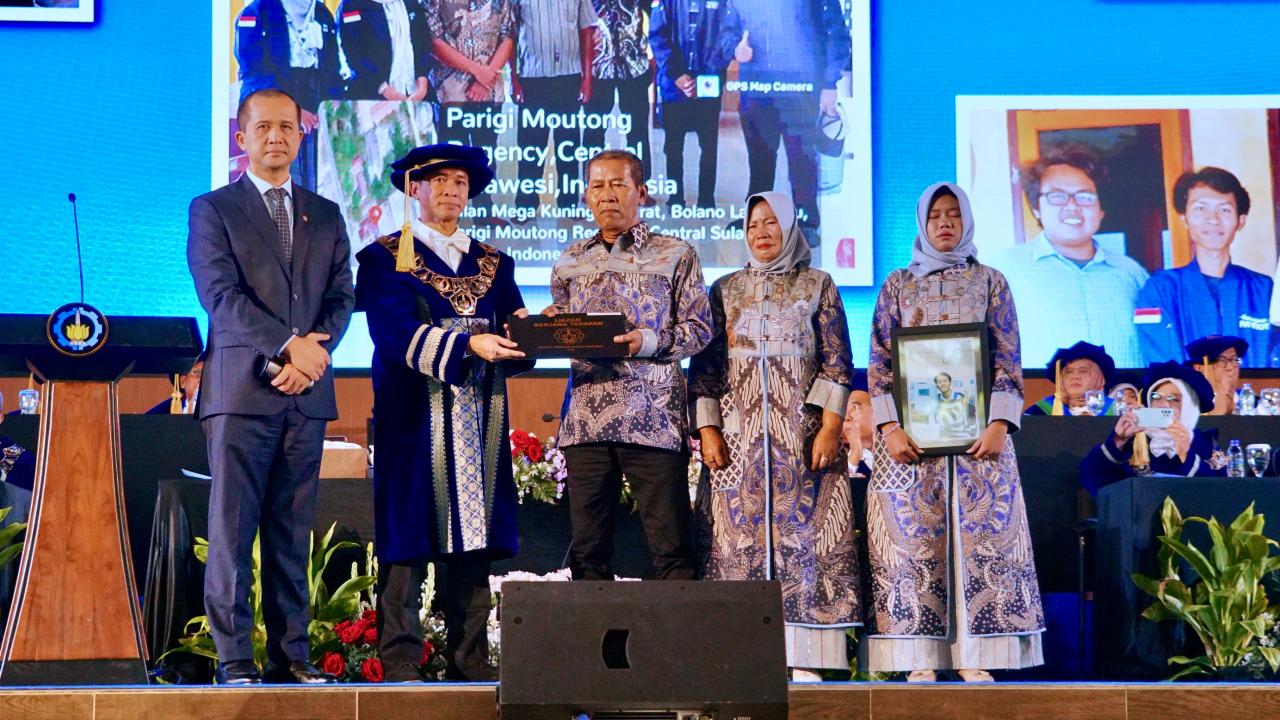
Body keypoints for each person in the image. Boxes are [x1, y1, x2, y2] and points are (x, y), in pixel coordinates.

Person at [187, 88, 355, 685]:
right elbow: (220, 297)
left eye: (287, 126)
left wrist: (312, 356)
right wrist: (289, 346)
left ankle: (292, 657)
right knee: (233, 532)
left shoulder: (326, 214)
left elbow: (341, 297)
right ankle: (234, 661)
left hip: (305, 395)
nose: (276, 136)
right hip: (240, 395)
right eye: (263, 127)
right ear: (242, 138)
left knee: (291, 533)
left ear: (300, 135)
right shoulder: (213, 210)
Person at [355, 143, 532, 682]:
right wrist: (468, 345)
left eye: (460, 182)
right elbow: (392, 334)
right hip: (413, 416)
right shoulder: (384, 258)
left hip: (480, 415)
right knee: (407, 534)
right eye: (439, 181)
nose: (452, 191)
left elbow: (515, 325)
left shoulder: (494, 263)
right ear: (415, 189)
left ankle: (470, 658)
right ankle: (401, 658)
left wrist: (535, 332)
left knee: (474, 539)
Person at [865, 182, 1044, 683]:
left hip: (979, 439)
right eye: (935, 215)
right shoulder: (898, 284)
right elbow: (879, 358)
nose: (945, 223)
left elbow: (1008, 355)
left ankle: (975, 653)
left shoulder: (991, 281)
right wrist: (889, 426)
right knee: (915, 541)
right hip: (911, 442)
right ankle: (919, 655)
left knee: (980, 540)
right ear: (922, 224)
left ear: (966, 220)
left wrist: (1000, 421)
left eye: (954, 214)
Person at [689, 191, 860, 682]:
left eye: (771, 223)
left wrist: (830, 428)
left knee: (806, 542)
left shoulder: (818, 284)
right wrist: (708, 431)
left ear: (789, 227)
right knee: (735, 544)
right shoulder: (725, 290)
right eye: (753, 225)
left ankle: (806, 654)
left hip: (803, 441)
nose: (761, 233)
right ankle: (741, 657)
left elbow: (837, 362)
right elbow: (705, 370)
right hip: (738, 444)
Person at [545, 149, 712, 581]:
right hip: (586, 425)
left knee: (672, 551)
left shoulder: (676, 253)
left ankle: (677, 628)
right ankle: (591, 629)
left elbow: (699, 329)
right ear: (586, 195)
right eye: (597, 186)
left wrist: (646, 342)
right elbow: (562, 325)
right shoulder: (569, 260)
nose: (607, 195)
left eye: (618, 184)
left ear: (642, 192)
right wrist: (544, 327)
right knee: (587, 555)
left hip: (652, 423)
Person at [988, 147, 1149, 369]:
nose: (1072, 206)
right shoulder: (1005, 269)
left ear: (1101, 210)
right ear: (1036, 208)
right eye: (1057, 196)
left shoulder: (1132, 272)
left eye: (1085, 197)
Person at [731, 0, 850, 239]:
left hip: (800, 88)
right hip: (756, 86)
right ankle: (756, 219)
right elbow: (727, 30)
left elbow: (836, 33)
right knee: (759, 158)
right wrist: (735, 48)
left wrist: (829, 84)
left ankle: (806, 222)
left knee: (802, 159)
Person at [1136, 168, 1277, 367]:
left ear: (1240, 221)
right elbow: (1162, 363)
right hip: (1188, 388)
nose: (1213, 219)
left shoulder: (1264, 289)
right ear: (1184, 218)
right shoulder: (1160, 289)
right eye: (1200, 208)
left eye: (1225, 210)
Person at [234, 0, 345, 187]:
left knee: (314, 182)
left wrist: (333, 104)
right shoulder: (257, 12)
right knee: (282, 182)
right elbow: (255, 74)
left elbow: (332, 68)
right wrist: (294, 112)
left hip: (313, 109)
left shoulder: (321, 13)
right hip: (271, 111)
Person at [1079, 361, 1226, 496]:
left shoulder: (1206, 443)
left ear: (1190, 406)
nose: (1163, 405)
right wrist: (1117, 441)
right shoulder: (1135, 441)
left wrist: (1186, 455)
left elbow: (1222, 492)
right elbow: (1094, 483)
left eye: (1174, 399)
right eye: (1156, 397)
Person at [426, 0, 516, 219]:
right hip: (450, 93)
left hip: (489, 91)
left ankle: (485, 213)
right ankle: (448, 217)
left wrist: (486, 80)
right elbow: (434, 41)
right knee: (450, 158)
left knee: (485, 155)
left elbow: (508, 37)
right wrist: (477, 71)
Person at [650, 0, 741, 210]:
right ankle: (675, 199)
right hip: (674, 85)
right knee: (673, 146)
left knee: (708, 146)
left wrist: (705, 77)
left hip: (708, 83)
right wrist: (676, 74)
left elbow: (729, 35)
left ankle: (706, 200)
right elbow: (657, 35)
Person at [512, 0, 600, 212]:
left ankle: (568, 204)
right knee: (531, 148)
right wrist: (513, 79)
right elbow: (510, 35)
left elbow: (586, 31)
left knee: (568, 146)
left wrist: (587, 79)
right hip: (532, 78)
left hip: (568, 78)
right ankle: (525, 205)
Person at [583, 0, 654, 181]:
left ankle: (640, 184)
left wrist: (653, 58)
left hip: (634, 66)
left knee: (637, 130)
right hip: (598, 68)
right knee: (594, 129)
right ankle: (592, 183)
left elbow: (654, 15)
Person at [337, 0, 432, 101]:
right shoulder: (351, 4)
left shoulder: (410, 2)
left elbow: (422, 42)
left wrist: (422, 85)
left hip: (416, 93)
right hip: (372, 95)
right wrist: (384, 88)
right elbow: (353, 52)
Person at [1025, 341, 1117, 416]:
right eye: (1069, 372)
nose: (1075, 376)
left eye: (1083, 371)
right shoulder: (1040, 411)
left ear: (1099, 379)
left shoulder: (1115, 411)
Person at [1187, 334, 1246, 416]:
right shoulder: (1187, 405)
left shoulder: (1253, 403)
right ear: (1198, 368)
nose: (1230, 367)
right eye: (1221, 360)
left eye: (1234, 359)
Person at [844, 369, 872, 478]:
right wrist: (855, 453)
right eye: (841, 411)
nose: (847, 417)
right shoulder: (840, 464)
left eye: (855, 407)